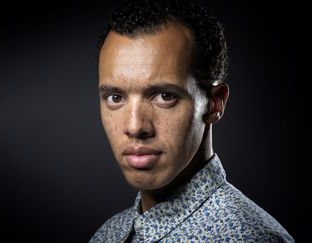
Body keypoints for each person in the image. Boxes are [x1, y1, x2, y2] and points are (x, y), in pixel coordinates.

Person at [89, 0, 294, 242]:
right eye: (115, 97)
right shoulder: (107, 235)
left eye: (165, 96)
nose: (135, 126)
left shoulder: (251, 237)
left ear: (215, 103)